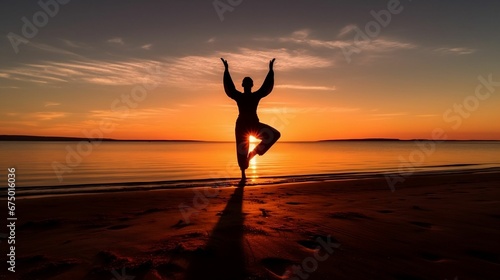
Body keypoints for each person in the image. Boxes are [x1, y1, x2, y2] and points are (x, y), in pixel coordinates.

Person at [221, 57, 281, 181]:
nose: (247, 84)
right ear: (243, 85)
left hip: (253, 124)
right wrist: (226, 71)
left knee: (275, 134)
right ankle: (243, 174)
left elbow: (265, 87)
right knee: (241, 150)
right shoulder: (239, 96)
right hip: (242, 125)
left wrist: (270, 71)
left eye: (249, 83)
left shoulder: (255, 95)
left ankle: (253, 153)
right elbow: (230, 88)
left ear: (251, 85)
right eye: (246, 82)